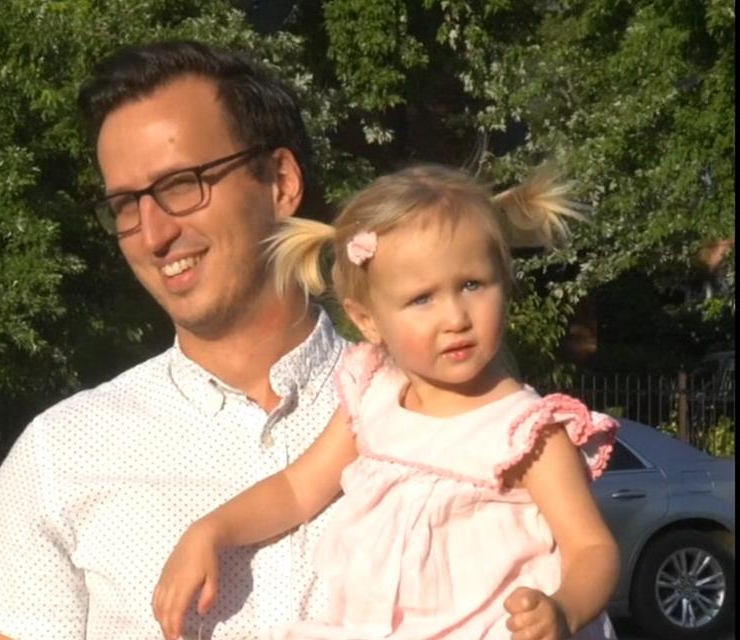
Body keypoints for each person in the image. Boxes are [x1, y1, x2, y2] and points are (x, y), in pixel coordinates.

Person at [0, 40, 345, 639]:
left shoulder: (438, 410)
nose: (152, 233)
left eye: (180, 184)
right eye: (124, 204)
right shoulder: (59, 457)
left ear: (280, 181)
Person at [153, 164, 620, 640]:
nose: (455, 317)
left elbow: (592, 549)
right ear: (368, 320)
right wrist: (211, 531)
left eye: (472, 285)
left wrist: (563, 610)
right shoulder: (373, 394)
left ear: (505, 281)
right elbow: (297, 490)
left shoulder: (526, 432)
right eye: (422, 299)